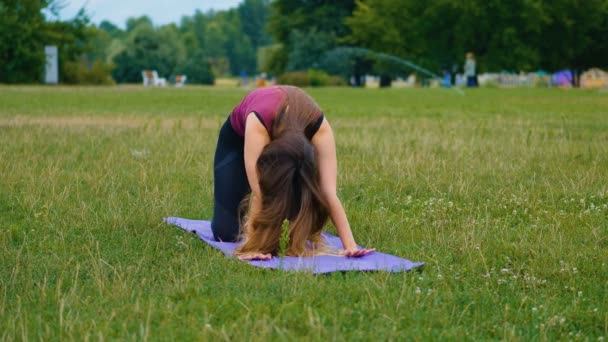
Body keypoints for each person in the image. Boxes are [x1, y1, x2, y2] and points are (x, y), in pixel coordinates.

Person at [211, 86, 376, 260]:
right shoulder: (259, 124)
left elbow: (329, 193)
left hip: (290, 135)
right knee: (226, 233)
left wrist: (350, 246)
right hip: (238, 140)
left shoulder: (319, 128)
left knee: (290, 210)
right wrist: (252, 247)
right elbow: (259, 193)